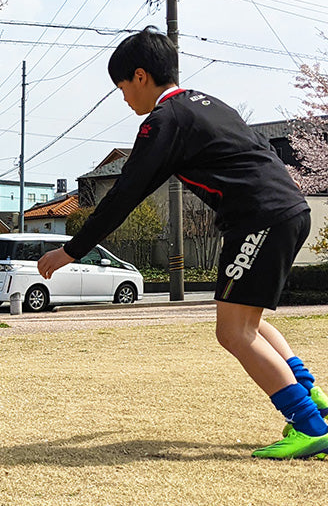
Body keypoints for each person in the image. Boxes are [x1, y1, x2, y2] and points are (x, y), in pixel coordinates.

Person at [37, 26, 328, 460]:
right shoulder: (204, 103)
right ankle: (314, 399)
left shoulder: (164, 121)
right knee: (246, 318)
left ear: (140, 76)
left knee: (233, 332)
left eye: (121, 88)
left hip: (259, 218)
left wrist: (70, 250)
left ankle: (309, 426)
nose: (123, 100)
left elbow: (124, 194)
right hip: (286, 209)